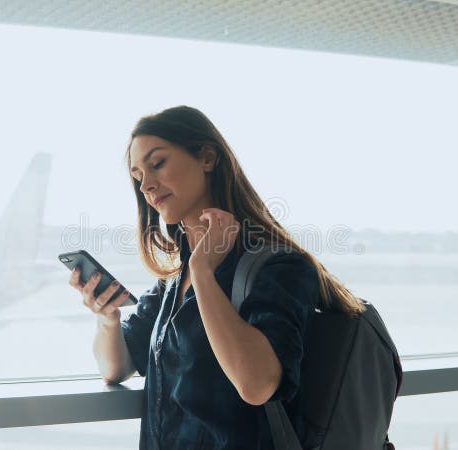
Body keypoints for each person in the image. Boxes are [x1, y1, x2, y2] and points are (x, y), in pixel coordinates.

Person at [69, 105, 365, 449]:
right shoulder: (173, 280)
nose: (147, 185)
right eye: (138, 175)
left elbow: (257, 385)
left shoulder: (280, 267)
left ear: (207, 157)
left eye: (157, 163)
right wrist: (108, 319)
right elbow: (116, 367)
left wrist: (203, 272)